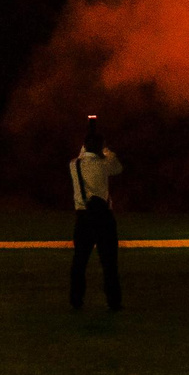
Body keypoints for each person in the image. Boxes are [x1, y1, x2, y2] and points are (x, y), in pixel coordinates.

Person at [67, 116, 125, 312]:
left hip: (83, 218)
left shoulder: (74, 165)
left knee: (79, 262)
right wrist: (106, 150)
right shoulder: (104, 164)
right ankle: (114, 302)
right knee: (109, 263)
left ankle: (76, 300)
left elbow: (83, 155)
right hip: (104, 219)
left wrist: (89, 142)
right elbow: (118, 168)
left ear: (84, 146)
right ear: (100, 147)